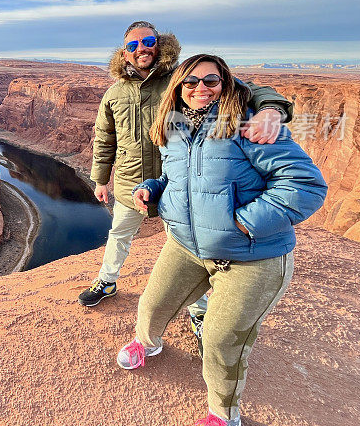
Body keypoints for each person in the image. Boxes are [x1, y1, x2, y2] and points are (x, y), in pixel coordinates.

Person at [117, 53, 327, 426]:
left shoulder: (251, 126)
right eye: (191, 82)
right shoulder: (175, 128)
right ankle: (148, 344)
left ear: (225, 83)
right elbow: (179, 181)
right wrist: (153, 189)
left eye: (211, 81)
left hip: (252, 258)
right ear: (178, 88)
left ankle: (223, 414)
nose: (201, 89)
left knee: (220, 340)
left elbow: (306, 185)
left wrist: (245, 222)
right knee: (151, 305)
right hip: (187, 246)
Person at [79, 22, 292, 318]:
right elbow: (105, 138)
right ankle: (107, 281)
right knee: (119, 235)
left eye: (148, 41)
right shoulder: (114, 93)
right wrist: (101, 180)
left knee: (188, 248)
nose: (141, 48)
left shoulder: (184, 80)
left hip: (179, 184)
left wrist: (271, 109)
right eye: (132, 45)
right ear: (124, 54)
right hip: (131, 181)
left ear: (159, 44)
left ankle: (198, 309)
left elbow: (247, 89)